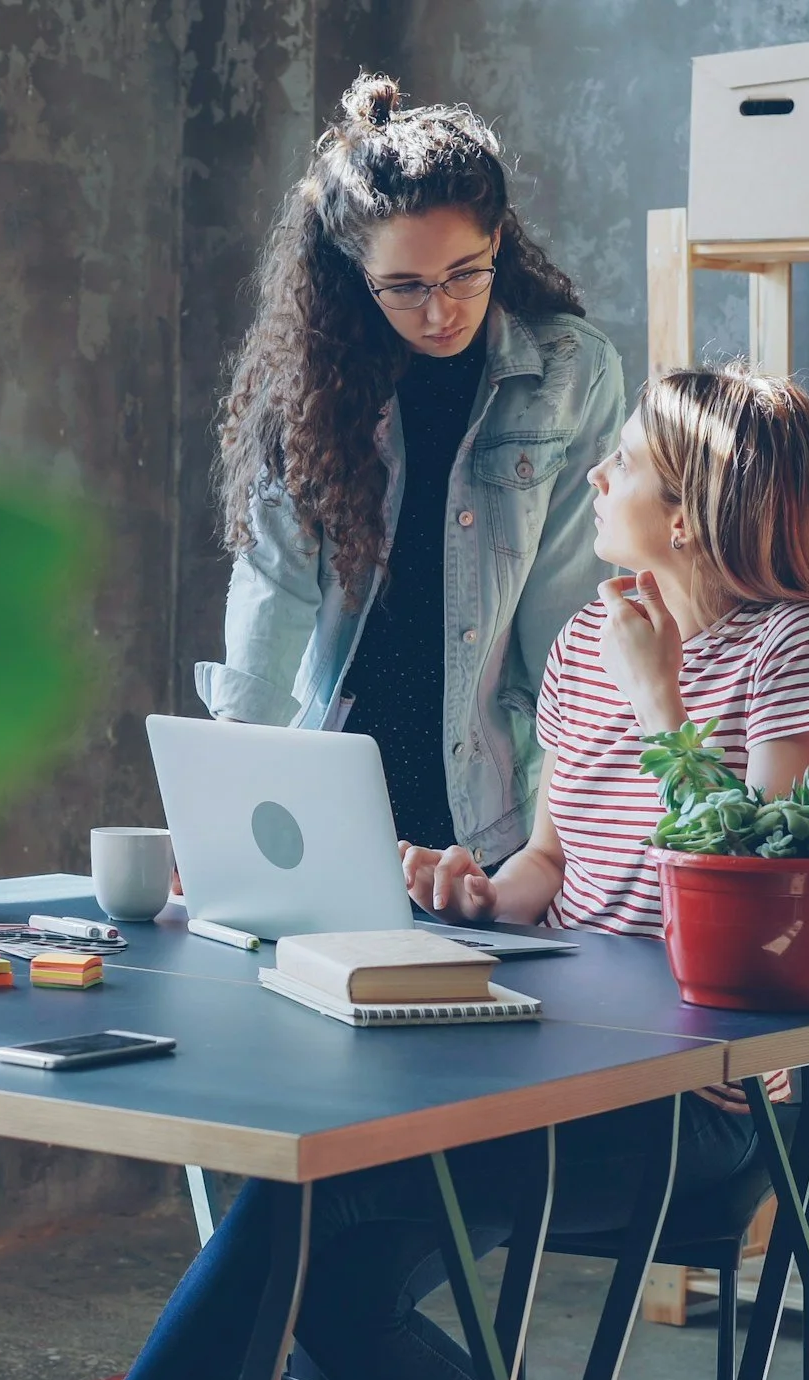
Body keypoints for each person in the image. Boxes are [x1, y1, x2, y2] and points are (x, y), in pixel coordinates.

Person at [113, 361, 809, 1380]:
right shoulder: (579, 646)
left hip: (698, 1103)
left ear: (690, 516)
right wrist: (466, 891)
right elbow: (551, 869)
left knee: (313, 1201)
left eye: (625, 462)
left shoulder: (795, 643)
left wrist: (661, 704)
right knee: (324, 1282)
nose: (598, 477)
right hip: (547, 1061)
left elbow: (756, 890)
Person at [192, 72, 623, 862]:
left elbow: (570, 624)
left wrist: (558, 848)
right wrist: (227, 807)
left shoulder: (571, 372)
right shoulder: (313, 379)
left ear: (498, 239)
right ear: (356, 273)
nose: (440, 310)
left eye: (465, 273)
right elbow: (274, 587)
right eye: (405, 286)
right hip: (330, 784)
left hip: (489, 801)